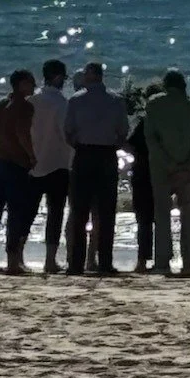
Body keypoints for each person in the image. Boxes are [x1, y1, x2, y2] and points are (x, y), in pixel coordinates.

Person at [65, 62, 128, 276]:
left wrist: (80, 145)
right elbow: (123, 132)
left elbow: (68, 132)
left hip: (84, 154)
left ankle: (76, 263)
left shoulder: (76, 100)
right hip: (107, 155)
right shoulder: (117, 100)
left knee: (79, 211)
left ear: (89, 76)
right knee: (106, 213)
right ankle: (105, 262)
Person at [144, 69, 190, 276]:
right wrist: (188, 165)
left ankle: (162, 260)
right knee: (188, 213)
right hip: (187, 169)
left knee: (162, 214)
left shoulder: (154, 105)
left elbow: (151, 140)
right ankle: (188, 261)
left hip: (162, 167)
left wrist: (169, 164)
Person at [0, 69, 36, 275]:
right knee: (15, 213)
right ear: (21, 84)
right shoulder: (25, 107)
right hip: (16, 164)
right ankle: (13, 260)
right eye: (31, 83)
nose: (34, 86)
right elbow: (22, 134)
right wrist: (32, 156)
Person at [28, 59, 72, 274]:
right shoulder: (61, 103)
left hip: (33, 162)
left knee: (27, 211)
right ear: (57, 77)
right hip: (58, 163)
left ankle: (16, 254)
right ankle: (49, 260)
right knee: (55, 213)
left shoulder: (32, 100)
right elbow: (66, 135)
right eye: (63, 77)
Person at [126, 80, 163, 273]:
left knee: (143, 219)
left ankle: (142, 260)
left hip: (142, 170)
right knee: (161, 217)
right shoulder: (166, 123)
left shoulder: (145, 123)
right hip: (161, 171)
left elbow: (128, 144)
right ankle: (162, 258)